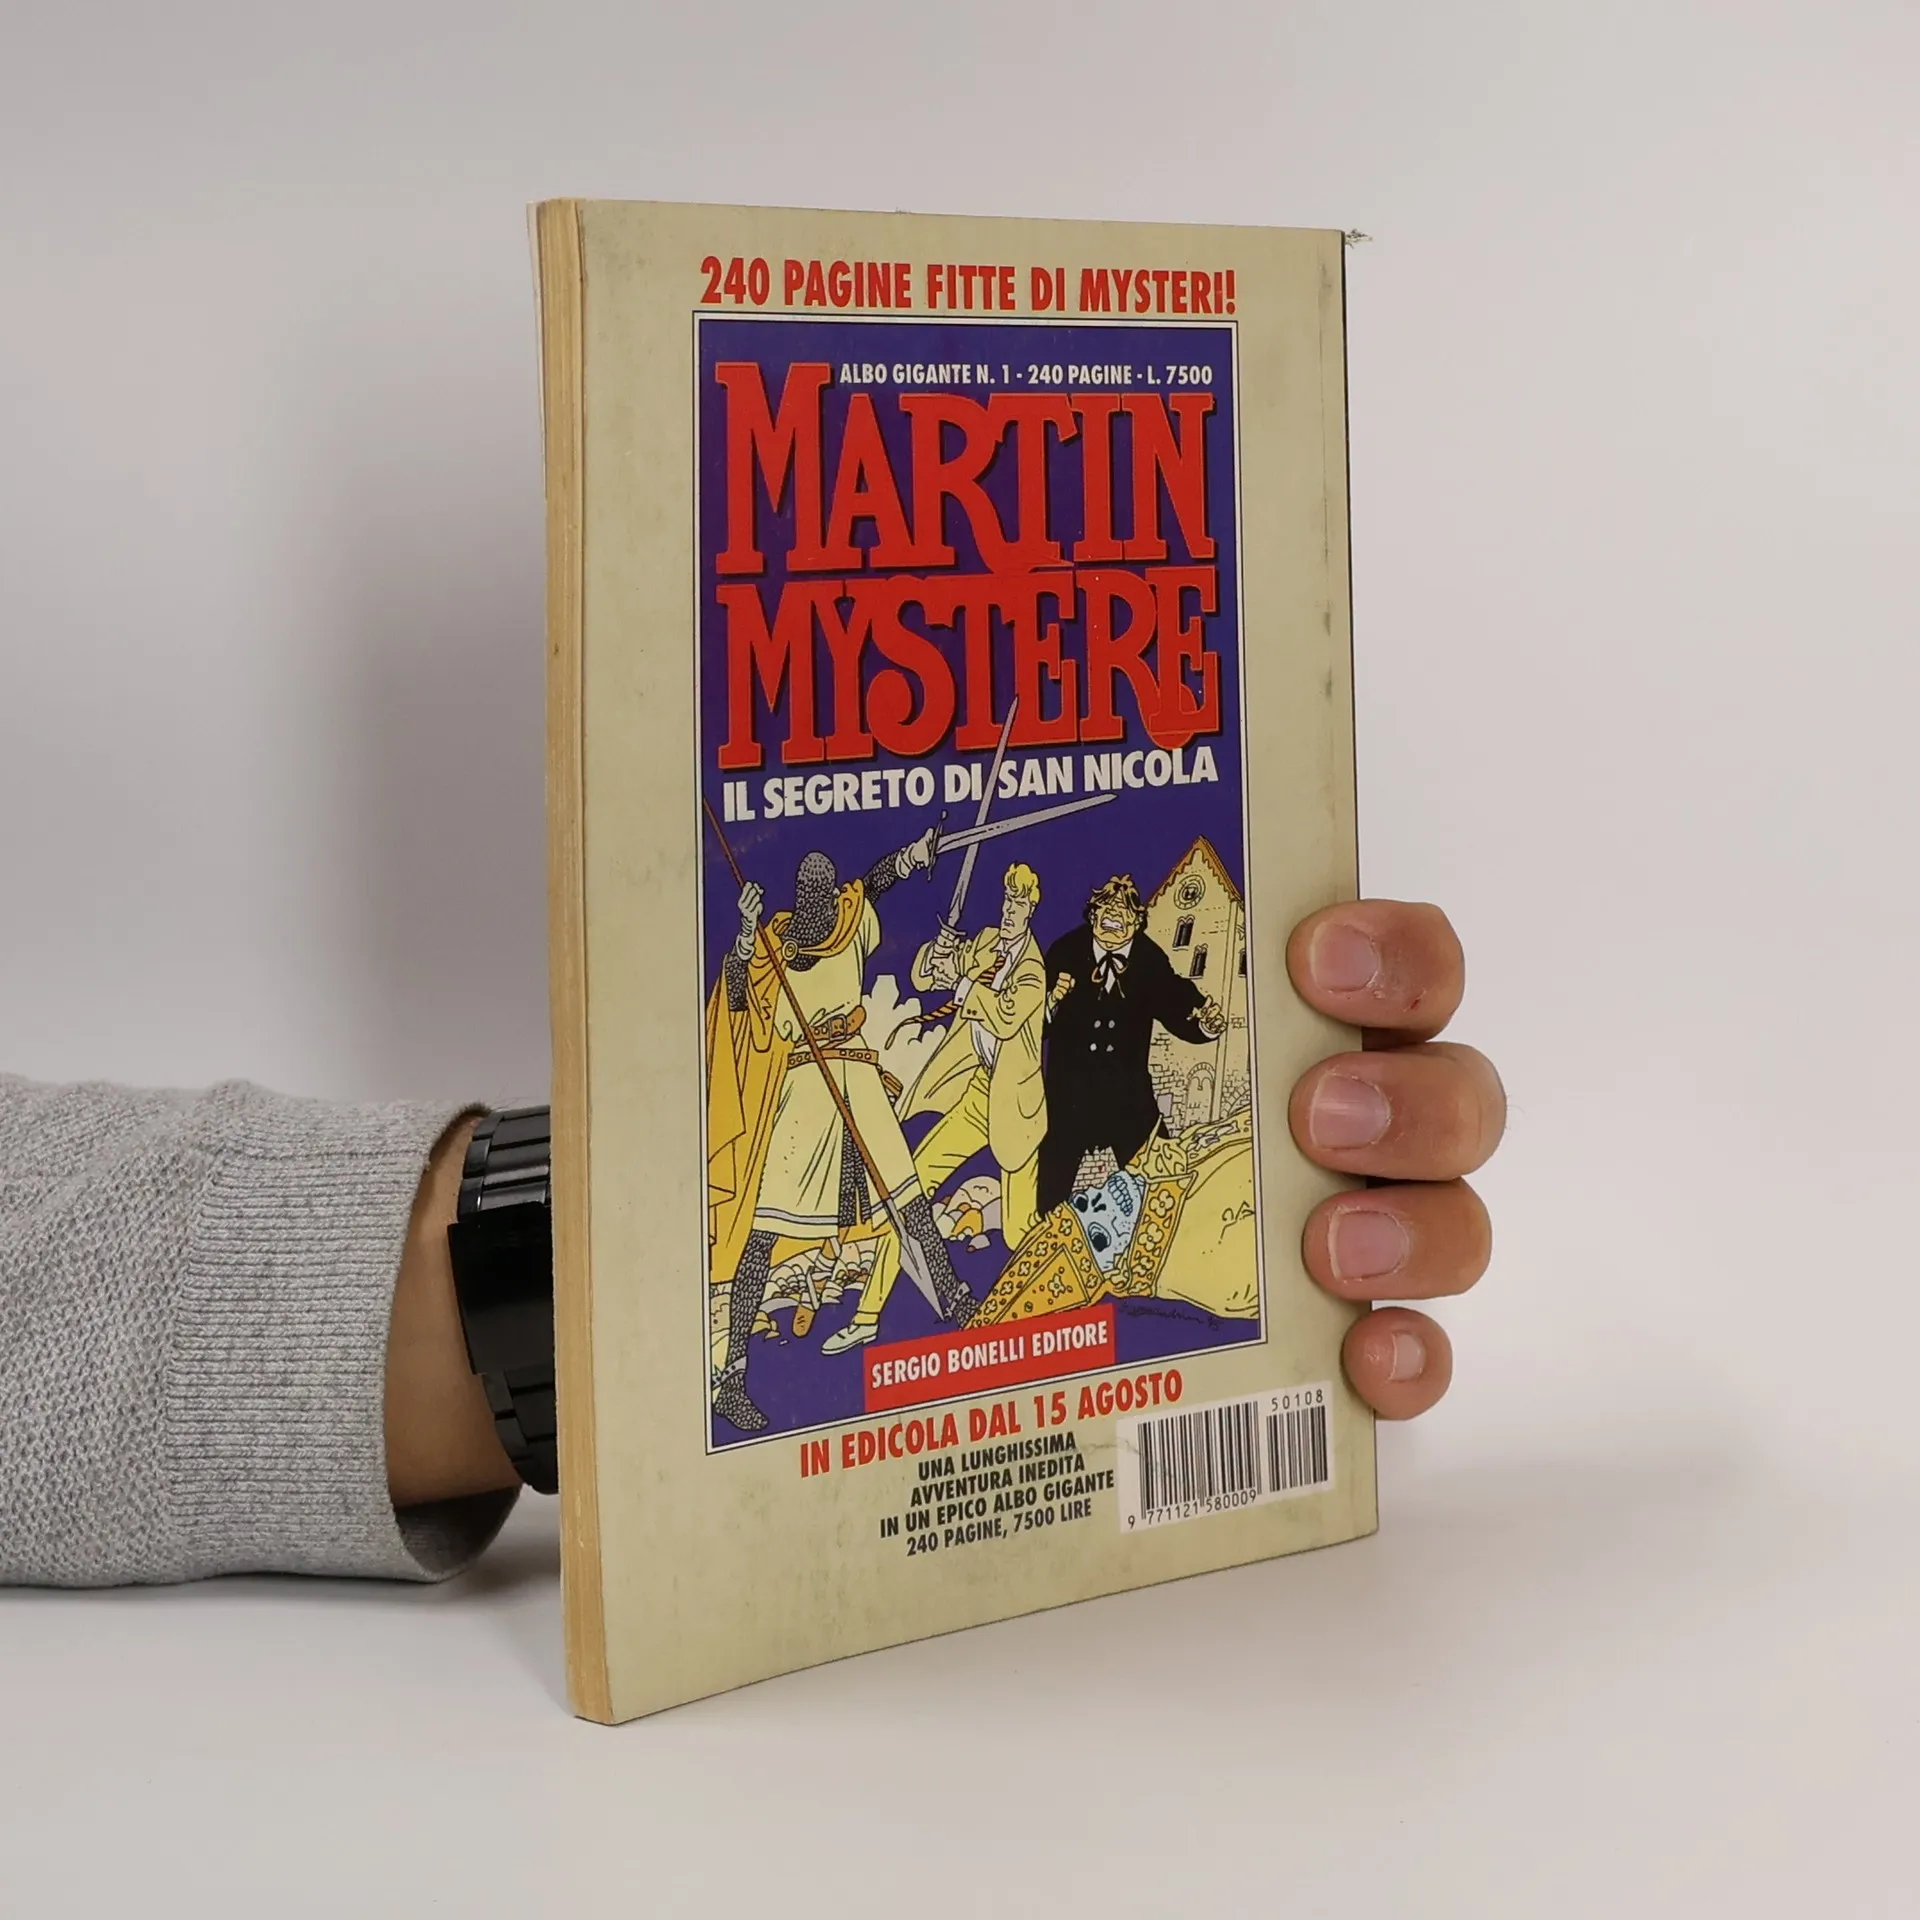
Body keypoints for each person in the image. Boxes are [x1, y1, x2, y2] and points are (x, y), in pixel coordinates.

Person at [0, 899, 1504, 1588]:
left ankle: (936, 1301)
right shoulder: (803, 958)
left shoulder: (920, 953)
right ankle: (743, 1350)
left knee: (911, 1212)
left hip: (902, 1110)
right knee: (803, 1231)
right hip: (814, 1102)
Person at [705, 831, 976, 1429]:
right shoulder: (774, 944)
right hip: (805, 1090)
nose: (823, 907)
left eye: (827, 898)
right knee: (764, 1234)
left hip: (855, 1073)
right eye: (813, 899)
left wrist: (914, 856)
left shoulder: (850, 923)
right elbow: (738, 994)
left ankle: (957, 1300)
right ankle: (732, 1377)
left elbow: (874, 881)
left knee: (908, 1197)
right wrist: (745, 932)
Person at [1036, 874, 1229, 1215]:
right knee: (1049, 1193)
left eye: (1123, 910)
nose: (1113, 915)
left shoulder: (1148, 959)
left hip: (1127, 1098)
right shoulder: (1064, 952)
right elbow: (1033, 1025)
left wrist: (1205, 1024)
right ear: (1093, 914)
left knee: (1161, 1183)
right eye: (1105, 908)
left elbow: (1175, 1001)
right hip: (1068, 1099)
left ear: (1137, 922)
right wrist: (1051, 1002)